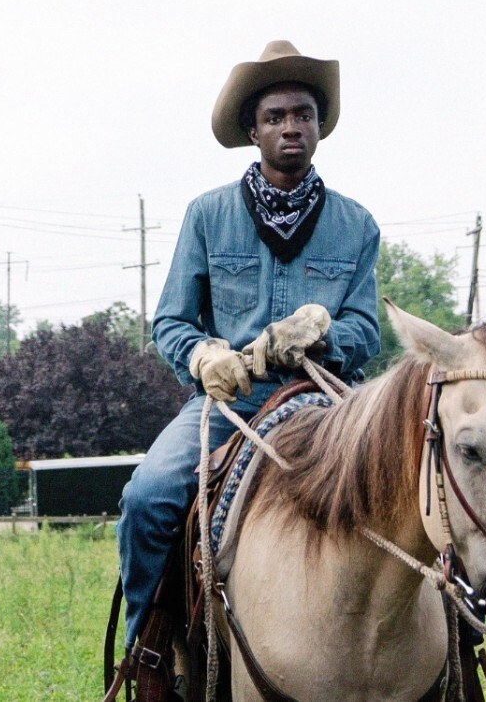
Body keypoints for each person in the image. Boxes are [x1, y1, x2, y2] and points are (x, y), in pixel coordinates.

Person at [114, 40, 383, 643]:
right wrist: (203, 355)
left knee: (419, 489)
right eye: (276, 117)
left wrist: (323, 336)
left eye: (304, 115)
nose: (292, 128)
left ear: (319, 128)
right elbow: (172, 321)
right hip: (230, 407)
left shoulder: (357, 225)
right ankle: (148, 651)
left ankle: (455, 644)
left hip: (331, 404)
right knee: (148, 498)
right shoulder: (207, 216)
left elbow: (367, 330)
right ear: (253, 131)